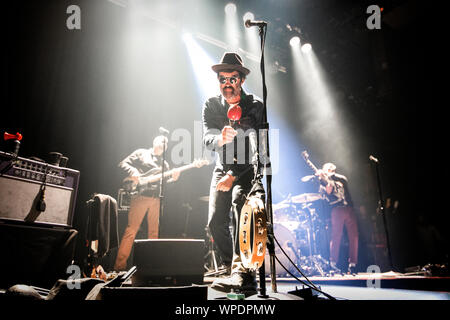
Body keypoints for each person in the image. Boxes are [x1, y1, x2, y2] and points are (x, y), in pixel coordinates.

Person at [202, 52, 265, 294]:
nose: (227, 84)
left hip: (247, 168)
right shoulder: (212, 104)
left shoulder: (255, 106)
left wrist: (234, 176)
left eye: (232, 79)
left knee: (241, 209)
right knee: (215, 220)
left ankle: (244, 273)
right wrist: (219, 138)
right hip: (222, 166)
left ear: (241, 80)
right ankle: (232, 268)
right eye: (223, 79)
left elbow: (258, 149)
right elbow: (207, 136)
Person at [114, 135, 180, 271]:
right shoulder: (141, 153)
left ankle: (151, 267)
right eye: (162, 141)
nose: (164, 144)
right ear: (154, 142)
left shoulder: (164, 164)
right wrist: (133, 171)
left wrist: (173, 179)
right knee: (131, 230)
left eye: (166, 144)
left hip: (156, 200)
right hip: (140, 196)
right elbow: (122, 164)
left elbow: (165, 185)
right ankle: (119, 267)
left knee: (154, 233)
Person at [316, 162, 359, 274]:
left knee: (354, 236)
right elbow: (328, 191)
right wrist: (323, 178)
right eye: (327, 167)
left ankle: (353, 264)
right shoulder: (322, 182)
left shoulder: (341, 178)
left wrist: (353, 207)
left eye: (331, 167)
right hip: (337, 209)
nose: (329, 168)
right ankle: (333, 263)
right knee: (336, 236)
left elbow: (348, 194)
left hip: (348, 207)